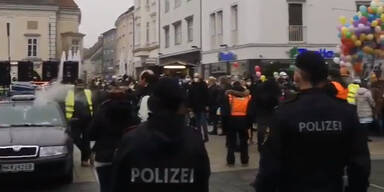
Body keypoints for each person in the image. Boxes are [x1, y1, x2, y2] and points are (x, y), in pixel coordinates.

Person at [254, 51, 371, 192]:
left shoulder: (284, 113)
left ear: (298, 76)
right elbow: (360, 163)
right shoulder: (346, 112)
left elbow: (270, 166)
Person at [112, 77, 211, 192]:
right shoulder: (194, 141)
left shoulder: (131, 140)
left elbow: (118, 184)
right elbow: (202, 184)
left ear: (152, 105)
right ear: (181, 106)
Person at [88, 85, 140, 192]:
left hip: (104, 155)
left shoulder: (101, 111)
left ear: (109, 97)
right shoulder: (131, 112)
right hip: (126, 155)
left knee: (105, 186)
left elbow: (91, 133)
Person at [65, 79, 93, 167]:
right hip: (75, 120)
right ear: (75, 85)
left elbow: (92, 104)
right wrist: (68, 119)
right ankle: (88, 153)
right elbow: (65, 105)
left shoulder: (88, 92)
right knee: (75, 138)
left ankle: (84, 160)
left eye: (82, 85)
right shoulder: (70, 93)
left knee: (86, 140)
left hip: (88, 119)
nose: (80, 87)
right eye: (79, 85)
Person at [223, 81, 252, 165]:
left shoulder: (229, 96)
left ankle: (230, 160)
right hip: (244, 121)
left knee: (231, 142)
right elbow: (251, 112)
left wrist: (224, 125)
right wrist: (249, 123)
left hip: (231, 121)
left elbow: (225, 112)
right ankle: (244, 159)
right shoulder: (248, 97)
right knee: (244, 142)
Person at [248, 79, 281, 152]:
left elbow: (254, 99)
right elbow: (278, 100)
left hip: (261, 111)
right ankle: (272, 144)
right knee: (273, 129)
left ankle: (260, 145)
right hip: (272, 111)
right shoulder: (275, 89)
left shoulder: (259, 89)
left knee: (261, 130)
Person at [188, 73, 210, 142]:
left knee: (203, 122)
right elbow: (190, 96)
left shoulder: (203, 85)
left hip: (202, 106)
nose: (196, 78)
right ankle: (200, 136)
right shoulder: (192, 85)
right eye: (195, 77)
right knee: (198, 122)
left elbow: (206, 95)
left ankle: (205, 136)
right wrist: (190, 106)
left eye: (197, 77)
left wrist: (207, 105)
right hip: (196, 107)